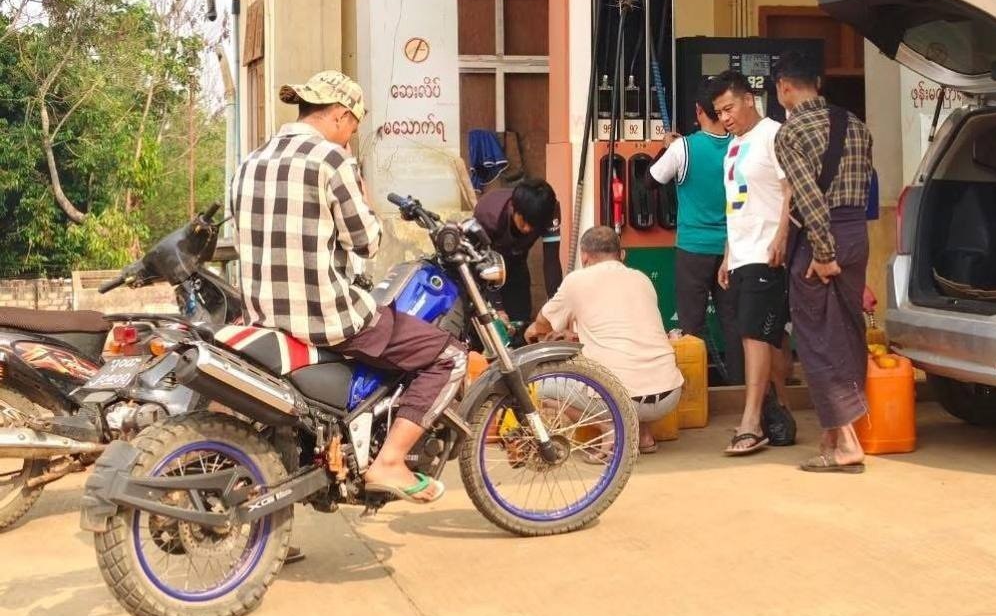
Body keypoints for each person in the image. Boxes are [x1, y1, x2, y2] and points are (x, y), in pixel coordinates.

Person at [231, 71, 467, 505]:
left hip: (262, 316)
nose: (351, 137)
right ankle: (390, 461)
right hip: (326, 317)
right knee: (449, 357)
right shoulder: (331, 160)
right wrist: (364, 193)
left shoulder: (251, 161)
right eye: (353, 127)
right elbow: (366, 241)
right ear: (340, 116)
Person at [773, 50, 874, 473]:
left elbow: (810, 198)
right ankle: (833, 435)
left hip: (822, 241)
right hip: (856, 235)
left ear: (784, 88)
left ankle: (847, 442)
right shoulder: (856, 124)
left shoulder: (790, 133)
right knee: (849, 333)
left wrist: (823, 254)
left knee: (817, 340)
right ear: (818, 83)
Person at [525, 227, 684, 454]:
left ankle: (610, 428)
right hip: (669, 395)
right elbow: (626, 330)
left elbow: (543, 323)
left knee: (541, 388)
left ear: (584, 256)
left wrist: (534, 332)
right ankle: (644, 436)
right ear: (622, 255)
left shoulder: (576, 281)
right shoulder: (642, 279)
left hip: (620, 398)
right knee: (632, 363)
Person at [708, 71, 793, 456]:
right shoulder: (733, 146)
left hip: (766, 251)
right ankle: (780, 412)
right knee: (763, 337)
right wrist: (728, 255)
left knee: (754, 335)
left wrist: (781, 237)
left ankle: (751, 422)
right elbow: (735, 205)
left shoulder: (774, 134)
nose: (725, 118)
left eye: (729, 108)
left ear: (749, 99)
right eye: (719, 113)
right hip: (741, 254)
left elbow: (791, 189)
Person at [647, 82, 742, 384]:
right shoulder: (739, 146)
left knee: (692, 324)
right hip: (732, 250)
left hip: (693, 249)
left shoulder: (683, 148)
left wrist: (666, 147)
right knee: (733, 323)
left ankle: (696, 391)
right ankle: (739, 389)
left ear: (699, 111)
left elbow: (649, 182)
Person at [474, 178, 563, 329]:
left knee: (520, 322)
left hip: (517, 261)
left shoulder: (550, 210)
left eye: (534, 225)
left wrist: (555, 305)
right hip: (485, 267)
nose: (528, 229)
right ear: (514, 208)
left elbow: (551, 260)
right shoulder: (489, 214)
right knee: (494, 325)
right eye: (523, 222)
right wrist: (498, 308)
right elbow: (482, 265)